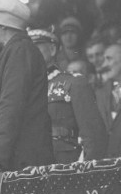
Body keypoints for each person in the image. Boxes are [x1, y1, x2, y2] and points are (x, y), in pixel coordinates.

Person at [0, 0, 54, 179]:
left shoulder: (19, 51)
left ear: (3, 24)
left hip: (19, 162)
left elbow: (11, 105)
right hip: (17, 159)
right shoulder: (16, 51)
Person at [29, 29, 107, 163]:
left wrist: (83, 172)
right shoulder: (21, 92)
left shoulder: (74, 82)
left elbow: (94, 137)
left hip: (66, 166)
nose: (28, 55)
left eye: (34, 49)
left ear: (52, 49)